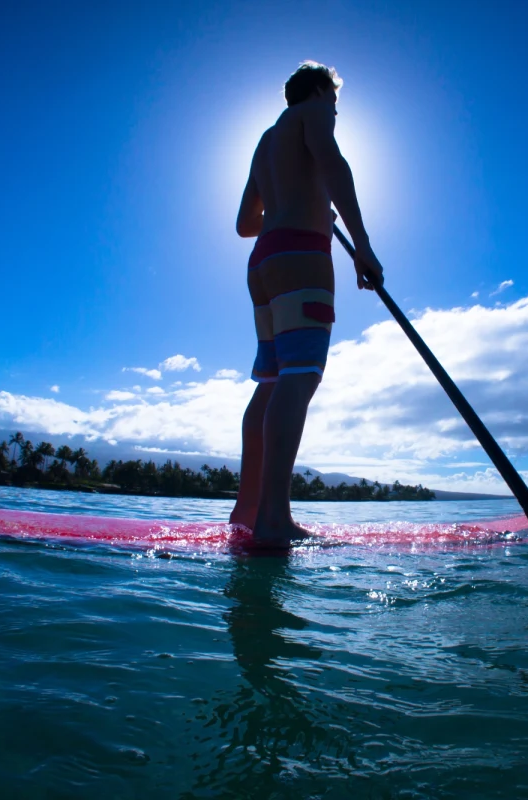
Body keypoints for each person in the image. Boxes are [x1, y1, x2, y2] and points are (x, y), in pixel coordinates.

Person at [229, 61, 384, 547]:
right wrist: (361, 244)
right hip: (301, 257)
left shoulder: (265, 140)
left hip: (263, 262)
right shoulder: (312, 114)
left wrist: (301, 203)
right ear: (318, 92)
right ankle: (275, 517)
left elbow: (243, 223)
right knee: (300, 377)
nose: (335, 110)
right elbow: (335, 163)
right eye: (333, 101)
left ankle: (248, 511)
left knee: (272, 383)